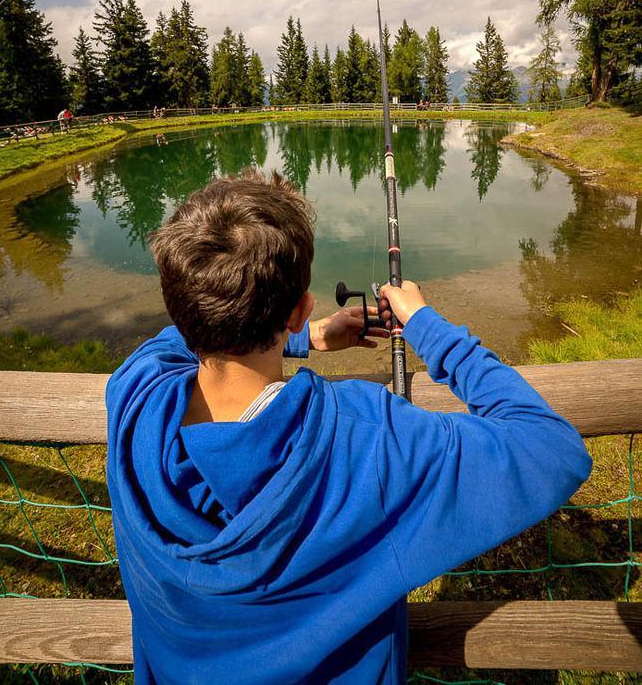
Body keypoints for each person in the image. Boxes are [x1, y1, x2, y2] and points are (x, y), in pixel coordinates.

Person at [106, 170, 592, 685]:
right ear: (300, 308)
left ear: (179, 302)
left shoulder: (134, 396)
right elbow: (552, 446)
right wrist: (426, 324)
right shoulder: (367, 439)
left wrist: (309, 338)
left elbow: (179, 332)